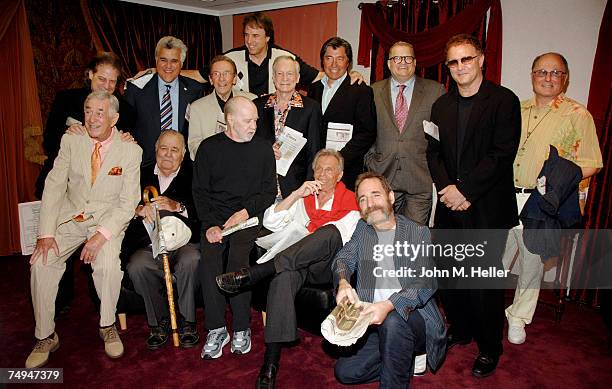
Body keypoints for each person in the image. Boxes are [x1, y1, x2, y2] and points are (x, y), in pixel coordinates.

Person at [216, 149, 360, 388]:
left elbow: (342, 237)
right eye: (318, 169)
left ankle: (256, 273)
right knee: (283, 277)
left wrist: (308, 232)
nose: (322, 174)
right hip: (296, 262)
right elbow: (271, 221)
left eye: (329, 170)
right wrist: (295, 194)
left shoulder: (352, 202)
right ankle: (270, 364)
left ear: (340, 175)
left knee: (329, 232)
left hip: (329, 265)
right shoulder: (304, 199)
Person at [426, 34, 521, 378]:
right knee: (448, 276)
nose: (460, 66)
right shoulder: (441, 106)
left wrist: (464, 190)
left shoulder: (504, 100)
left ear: (481, 59)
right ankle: (462, 329)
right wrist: (447, 189)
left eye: (466, 59)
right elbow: (433, 153)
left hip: (486, 207)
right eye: (453, 61)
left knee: (483, 283)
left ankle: (489, 346)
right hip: (449, 205)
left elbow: (501, 154)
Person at [26, 91, 142, 368]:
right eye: (88, 111)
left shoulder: (130, 151)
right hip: (71, 218)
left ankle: (107, 324)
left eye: (100, 112)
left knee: (107, 266)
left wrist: (101, 236)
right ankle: (45, 335)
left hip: (107, 220)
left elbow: (128, 203)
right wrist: (45, 233)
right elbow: (54, 186)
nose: (92, 118)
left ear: (114, 118)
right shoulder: (71, 140)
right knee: (41, 263)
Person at [502, 52, 603, 345]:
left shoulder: (577, 114)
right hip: (505, 195)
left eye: (555, 73)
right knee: (492, 257)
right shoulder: (515, 108)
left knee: (531, 265)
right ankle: (482, 311)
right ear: (532, 75)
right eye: (541, 72)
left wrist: (558, 179)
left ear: (565, 78)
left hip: (541, 202)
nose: (548, 78)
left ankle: (518, 317)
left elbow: (592, 162)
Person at [332, 172, 446, 389]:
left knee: (394, 321)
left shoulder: (417, 232)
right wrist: (344, 282)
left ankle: (398, 369)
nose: (370, 204)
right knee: (345, 372)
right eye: (363, 199)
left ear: (391, 197)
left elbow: (425, 281)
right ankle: (402, 360)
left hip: (415, 318)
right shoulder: (363, 231)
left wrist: (389, 304)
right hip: (374, 320)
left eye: (375, 195)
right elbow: (343, 258)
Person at [192, 96, 276, 360]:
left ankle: (241, 327)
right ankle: (216, 328)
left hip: (248, 218)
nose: (254, 125)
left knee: (237, 262)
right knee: (210, 260)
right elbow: (200, 192)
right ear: (230, 120)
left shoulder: (263, 149)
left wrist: (245, 212)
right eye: (248, 120)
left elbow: (267, 192)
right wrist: (210, 225)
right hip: (214, 219)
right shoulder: (208, 148)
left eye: (255, 120)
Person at [130, 12, 364, 96]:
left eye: (256, 36)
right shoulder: (231, 57)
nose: (249, 41)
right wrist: (161, 70)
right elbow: (202, 75)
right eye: (246, 35)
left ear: (268, 37)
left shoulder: (285, 58)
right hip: (242, 123)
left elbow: (316, 76)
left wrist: (347, 74)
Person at [123, 130, 201, 350]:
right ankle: (160, 321)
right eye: (163, 148)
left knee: (191, 260)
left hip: (184, 242)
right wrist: (138, 209)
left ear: (183, 154)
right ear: (156, 149)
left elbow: (203, 213)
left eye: (174, 150)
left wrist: (178, 207)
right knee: (137, 266)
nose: (168, 154)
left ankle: (187, 321)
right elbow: (121, 206)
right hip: (149, 244)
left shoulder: (195, 174)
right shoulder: (139, 174)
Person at [367, 41, 446, 225]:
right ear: (388, 63)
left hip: (419, 180)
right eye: (397, 58)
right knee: (383, 237)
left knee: (411, 242)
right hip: (383, 179)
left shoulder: (435, 91)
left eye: (408, 57)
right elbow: (365, 131)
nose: (403, 62)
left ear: (415, 62)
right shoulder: (372, 91)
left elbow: (443, 137)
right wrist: (371, 161)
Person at [308, 37, 377, 191]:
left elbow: (367, 133)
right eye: (329, 58)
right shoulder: (313, 89)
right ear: (322, 61)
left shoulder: (361, 90)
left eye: (340, 59)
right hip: (316, 170)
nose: (334, 64)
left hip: (346, 170)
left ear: (348, 62)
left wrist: (338, 159)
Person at [124, 36, 205, 165]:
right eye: (163, 60)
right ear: (156, 60)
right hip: (145, 164)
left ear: (181, 63)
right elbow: (125, 127)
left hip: (183, 166)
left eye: (174, 61)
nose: (168, 66)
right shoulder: (136, 89)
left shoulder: (194, 90)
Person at [254, 55, 323, 197]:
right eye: (280, 73)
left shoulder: (311, 108)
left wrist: (308, 188)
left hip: (295, 187)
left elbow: (314, 152)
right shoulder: (257, 105)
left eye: (290, 73)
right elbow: (249, 143)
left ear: (298, 78)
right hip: (261, 185)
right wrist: (266, 151)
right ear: (273, 77)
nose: (284, 78)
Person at [188, 55, 256, 159]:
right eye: (216, 74)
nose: (221, 78)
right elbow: (194, 145)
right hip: (212, 167)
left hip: (246, 162)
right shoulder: (197, 108)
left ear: (234, 79)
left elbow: (258, 137)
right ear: (210, 79)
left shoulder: (252, 100)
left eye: (226, 73)